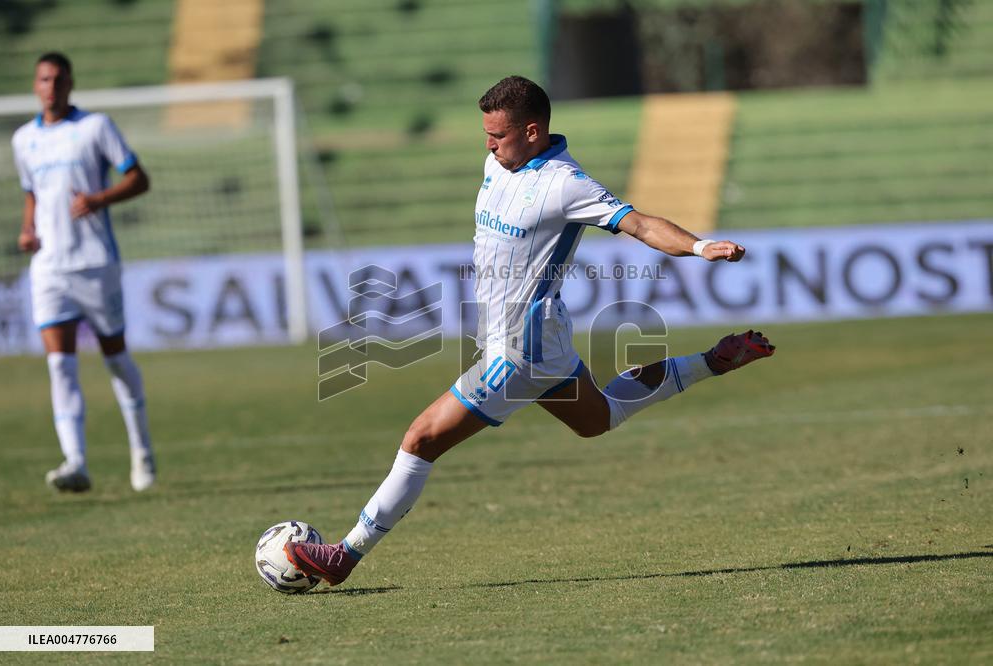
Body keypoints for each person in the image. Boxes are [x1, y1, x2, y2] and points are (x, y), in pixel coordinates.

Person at [285, 76, 774, 584]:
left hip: (520, 351)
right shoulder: (496, 164)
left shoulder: (566, 183)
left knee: (421, 439)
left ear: (534, 130)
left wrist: (699, 247)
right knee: (597, 418)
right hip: (546, 341)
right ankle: (712, 361)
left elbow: (640, 223)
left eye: (498, 136)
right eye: (486, 136)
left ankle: (345, 554)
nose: (489, 146)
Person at [11, 52, 156, 493]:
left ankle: (142, 451)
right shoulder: (23, 140)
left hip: (95, 264)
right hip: (49, 268)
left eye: (57, 79)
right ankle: (76, 461)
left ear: (70, 83)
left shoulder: (95, 127)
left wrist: (98, 199)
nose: (50, 87)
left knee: (115, 358)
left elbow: (139, 178)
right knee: (60, 365)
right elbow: (33, 192)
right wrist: (27, 230)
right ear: (35, 86)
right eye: (43, 79)